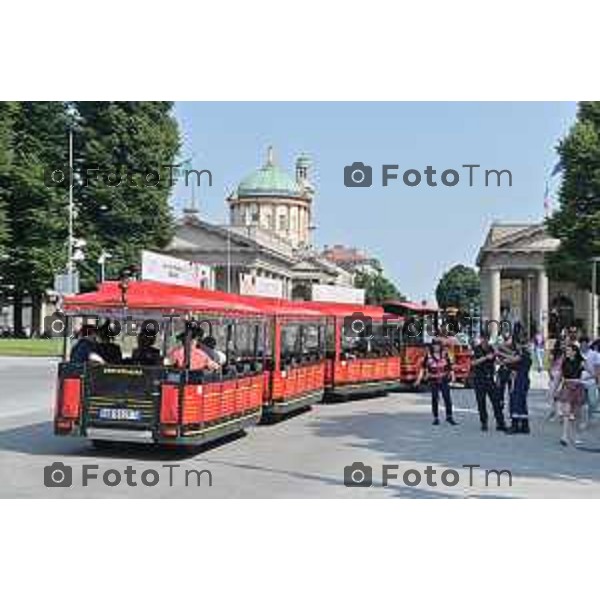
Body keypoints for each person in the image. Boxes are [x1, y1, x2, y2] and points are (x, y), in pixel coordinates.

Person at [416, 339, 457, 426]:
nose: (436, 347)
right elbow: (423, 368)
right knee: (435, 399)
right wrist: (418, 380)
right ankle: (436, 418)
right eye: (434, 346)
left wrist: (453, 377)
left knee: (447, 398)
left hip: (444, 379)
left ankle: (449, 417)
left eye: (438, 346)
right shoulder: (429, 355)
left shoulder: (445, 354)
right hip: (433, 380)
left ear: (440, 346)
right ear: (432, 346)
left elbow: (450, 367)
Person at [471, 335, 507, 432]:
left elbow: (497, 360)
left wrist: (500, 358)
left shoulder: (491, 348)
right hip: (479, 379)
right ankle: (484, 423)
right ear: (481, 339)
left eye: (487, 339)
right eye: (484, 339)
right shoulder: (476, 349)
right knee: (481, 402)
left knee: (496, 401)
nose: (485, 341)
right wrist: (486, 357)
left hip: (490, 379)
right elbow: (473, 363)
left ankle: (500, 423)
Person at [557, 344, 585, 446]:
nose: (567, 352)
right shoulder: (564, 362)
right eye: (566, 350)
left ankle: (577, 436)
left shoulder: (581, 362)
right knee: (566, 412)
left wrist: (585, 380)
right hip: (567, 386)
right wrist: (555, 389)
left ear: (574, 351)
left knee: (577, 414)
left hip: (578, 386)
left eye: (569, 350)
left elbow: (590, 372)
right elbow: (560, 377)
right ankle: (564, 436)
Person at [504, 340, 532, 434]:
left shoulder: (524, 355)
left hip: (520, 380)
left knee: (516, 401)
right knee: (521, 402)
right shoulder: (522, 354)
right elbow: (511, 357)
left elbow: (511, 359)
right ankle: (524, 425)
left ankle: (515, 425)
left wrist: (500, 354)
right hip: (520, 379)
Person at [578, 336, 600, 425]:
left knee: (592, 402)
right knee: (582, 402)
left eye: (585, 344)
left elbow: (598, 369)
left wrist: (597, 380)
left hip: (591, 381)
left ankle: (590, 415)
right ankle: (584, 421)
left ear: (588, 344)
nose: (583, 346)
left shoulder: (595, 354)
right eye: (581, 344)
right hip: (580, 381)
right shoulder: (577, 354)